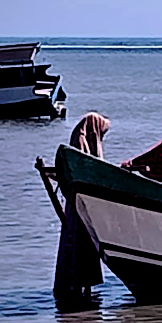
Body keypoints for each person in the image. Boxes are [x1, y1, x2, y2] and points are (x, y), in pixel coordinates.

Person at [53, 112, 110, 303]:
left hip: (81, 210)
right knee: (82, 245)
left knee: (84, 247)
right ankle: (80, 288)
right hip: (82, 211)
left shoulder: (82, 150)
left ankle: (82, 288)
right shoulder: (80, 154)